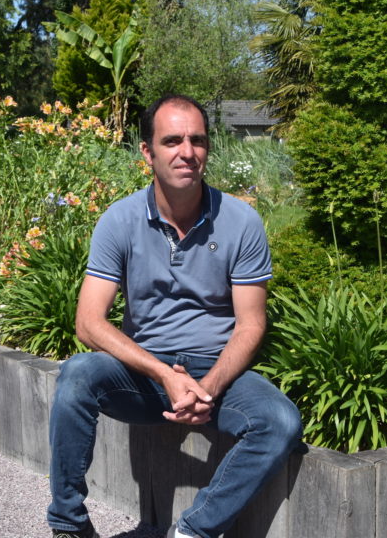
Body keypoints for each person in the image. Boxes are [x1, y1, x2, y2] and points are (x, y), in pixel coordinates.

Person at [46, 95, 302, 538]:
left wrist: (207, 388)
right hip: (144, 376)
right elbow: (88, 323)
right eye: (172, 141)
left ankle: (195, 530)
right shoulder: (120, 220)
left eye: (197, 140)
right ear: (147, 152)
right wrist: (165, 375)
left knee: (280, 421)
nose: (187, 152)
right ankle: (68, 524)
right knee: (78, 375)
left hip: (217, 374)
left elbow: (251, 324)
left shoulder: (241, 221)